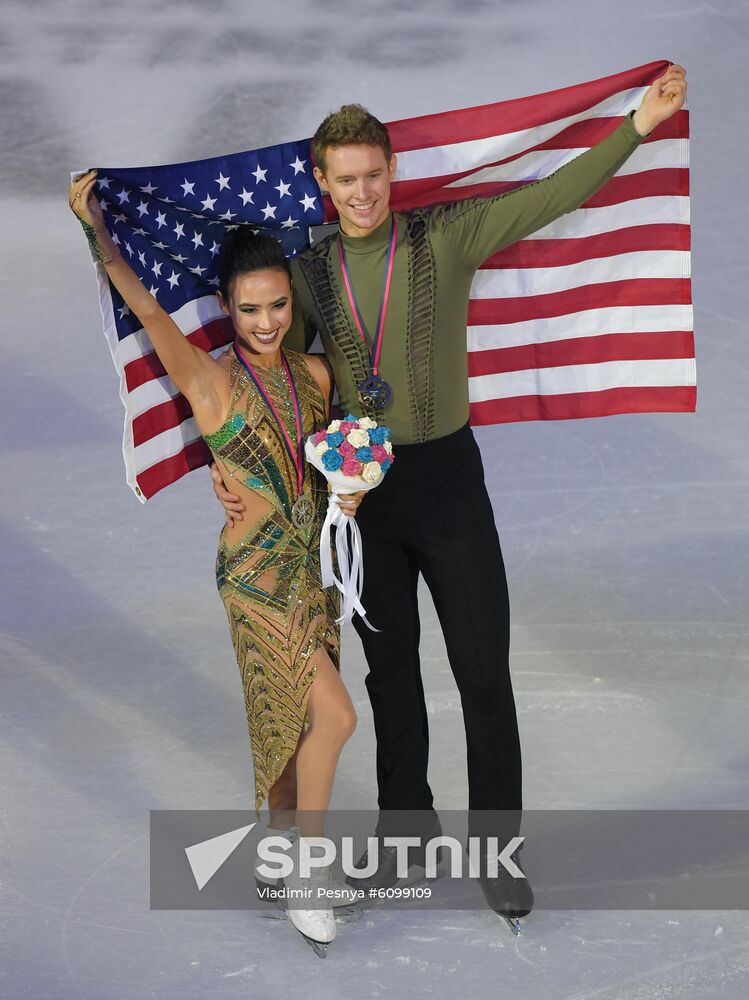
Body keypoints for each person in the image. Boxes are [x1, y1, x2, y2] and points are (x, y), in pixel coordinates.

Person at [210, 65, 688, 928]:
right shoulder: (308, 274)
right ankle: (407, 833)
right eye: (344, 179)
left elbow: (549, 196)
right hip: (364, 499)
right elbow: (264, 366)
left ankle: (495, 853)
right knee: (390, 675)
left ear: (391, 173)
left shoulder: (443, 239)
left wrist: (637, 127)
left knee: (481, 672)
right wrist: (230, 469)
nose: (361, 193)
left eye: (373, 175)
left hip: (449, 485)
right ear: (322, 182)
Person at [69, 175, 365, 956]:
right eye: (248, 308)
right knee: (334, 716)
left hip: (309, 571)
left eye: (276, 305)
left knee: (290, 717)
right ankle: (307, 869)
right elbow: (145, 307)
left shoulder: (317, 376)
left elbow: (335, 464)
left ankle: (279, 848)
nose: (266, 322)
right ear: (225, 309)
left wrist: (352, 490)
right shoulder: (210, 380)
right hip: (253, 579)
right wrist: (97, 231)